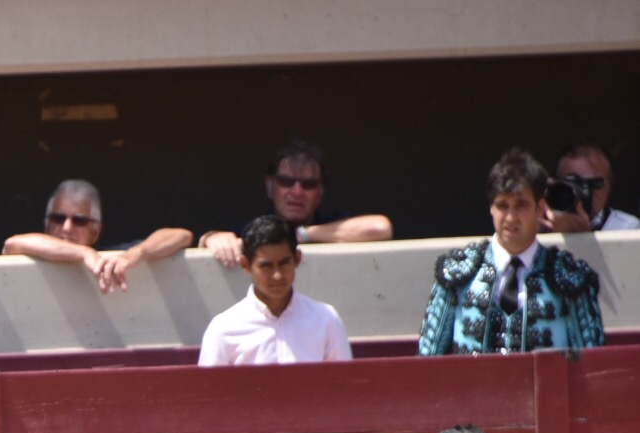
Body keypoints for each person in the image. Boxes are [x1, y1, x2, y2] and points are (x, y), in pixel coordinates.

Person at [419, 150, 604, 356]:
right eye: (502, 206)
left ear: (540, 208)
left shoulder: (570, 278)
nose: (510, 216)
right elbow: (429, 358)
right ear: (491, 208)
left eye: (521, 205)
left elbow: (592, 364)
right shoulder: (458, 274)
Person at [201, 141, 394, 268]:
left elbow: (380, 227)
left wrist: (301, 235)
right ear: (269, 187)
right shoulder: (253, 230)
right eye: (286, 182)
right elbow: (214, 240)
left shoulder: (333, 223)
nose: (297, 192)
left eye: (308, 184)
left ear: (320, 193)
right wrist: (212, 238)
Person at [198, 215, 350, 366]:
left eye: (284, 263)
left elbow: (344, 384)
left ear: (297, 259)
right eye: (266, 266)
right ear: (245, 265)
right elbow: (208, 388)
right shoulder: (223, 328)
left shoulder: (326, 319)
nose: (277, 275)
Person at [3, 179, 193, 294]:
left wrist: (136, 253)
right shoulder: (32, 249)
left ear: (97, 231)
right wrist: (83, 253)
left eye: (79, 221)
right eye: (58, 218)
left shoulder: (108, 258)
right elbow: (12, 244)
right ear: (46, 223)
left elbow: (182, 236)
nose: (66, 227)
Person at [540, 141, 640, 234]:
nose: (585, 191)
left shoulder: (626, 228)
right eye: (574, 183)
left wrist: (582, 235)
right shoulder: (539, 223)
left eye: (595, 184)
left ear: (609, 184)